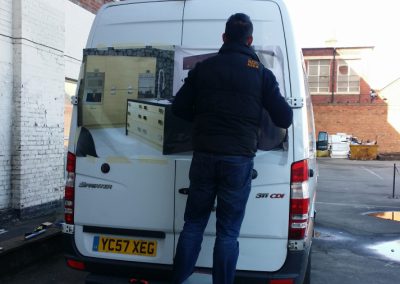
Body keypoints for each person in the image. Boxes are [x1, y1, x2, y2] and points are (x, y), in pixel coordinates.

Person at [171, 13, 293, 284]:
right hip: (238, 161)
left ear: (224, 38)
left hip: (203, 157)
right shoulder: (260, 73)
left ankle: (178, 279)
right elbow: (285, 117)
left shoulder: (204, 67)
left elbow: (178, 108)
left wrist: (203, 119)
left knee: (193, 224)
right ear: (250, 40)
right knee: (228, 233)